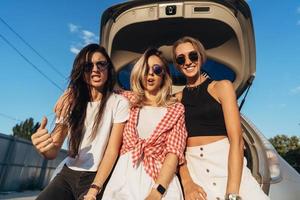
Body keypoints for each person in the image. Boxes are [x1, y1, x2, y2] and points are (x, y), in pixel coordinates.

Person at [172, 36, 270, 200]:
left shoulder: (222, 87)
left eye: (193, 55)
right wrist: (187, 182)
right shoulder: (176, 99)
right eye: (181, 59)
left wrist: (232, 193)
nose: (188, 62)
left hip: (227, 163)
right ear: (177, 65)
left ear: (201, 57)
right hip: (194, 168)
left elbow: (237, 141)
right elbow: (175, 148)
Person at [31, 43, 129, 200]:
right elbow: (53, 150)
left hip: (97, 176)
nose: (95, 69)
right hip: (67, 174)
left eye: (101, 64)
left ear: (108, 68)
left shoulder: (119, 102)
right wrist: (44, 148)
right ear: (81, 71)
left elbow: (112, 150)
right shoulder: (70, 102)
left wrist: (94, 189)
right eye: (88, 66)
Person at [101, 48, 187, 200]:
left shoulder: (176, 109)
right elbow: (97, 92)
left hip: (160, 181)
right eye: (146, 69)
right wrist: (70, 93)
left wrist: (157, 192)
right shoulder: (126, 100)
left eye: (157, 69)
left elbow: (174, 153)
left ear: (164, 76)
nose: (151, 73)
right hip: (124, 178)